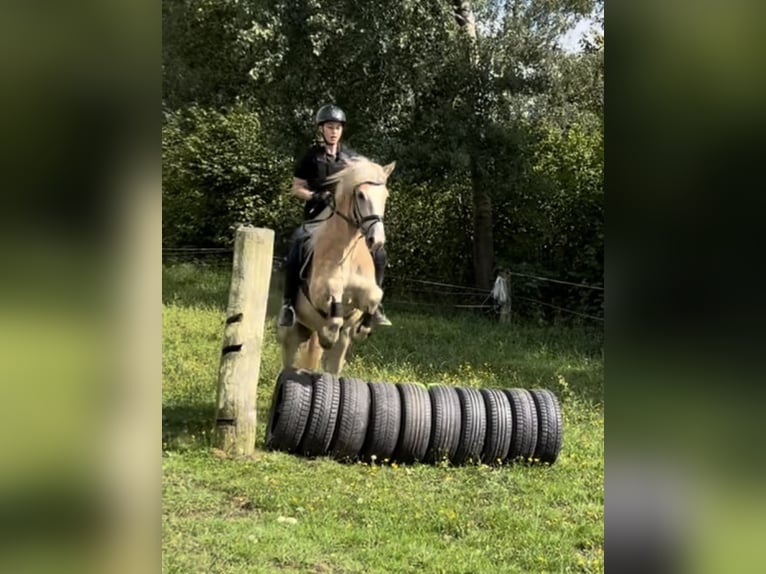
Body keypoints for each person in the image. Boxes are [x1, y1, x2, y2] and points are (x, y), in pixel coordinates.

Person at [278, 104, 392, 328]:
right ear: (321, 129)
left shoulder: (350, 158)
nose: (334, 131)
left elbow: (368, 177)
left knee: (379, 254)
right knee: (298, 244)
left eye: (337, 127)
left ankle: (375, 306)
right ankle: (288, 304)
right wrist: (315, 195)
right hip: (317, 216)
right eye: (329, 127)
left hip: (347, 219)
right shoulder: (311, 158)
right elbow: (296, 187)